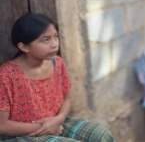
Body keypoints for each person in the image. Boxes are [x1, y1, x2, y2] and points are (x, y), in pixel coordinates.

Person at [0, 13, 115, 141]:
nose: (55, 44)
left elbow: (67, 98)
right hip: (23, 134)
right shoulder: (7, 75)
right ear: (24, 47)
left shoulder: (57, 63)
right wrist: (44, 127)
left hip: (56, 122)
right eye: (46, 39)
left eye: (56, 37)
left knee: (101, 135)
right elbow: (2, 125)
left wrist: (58, 119)